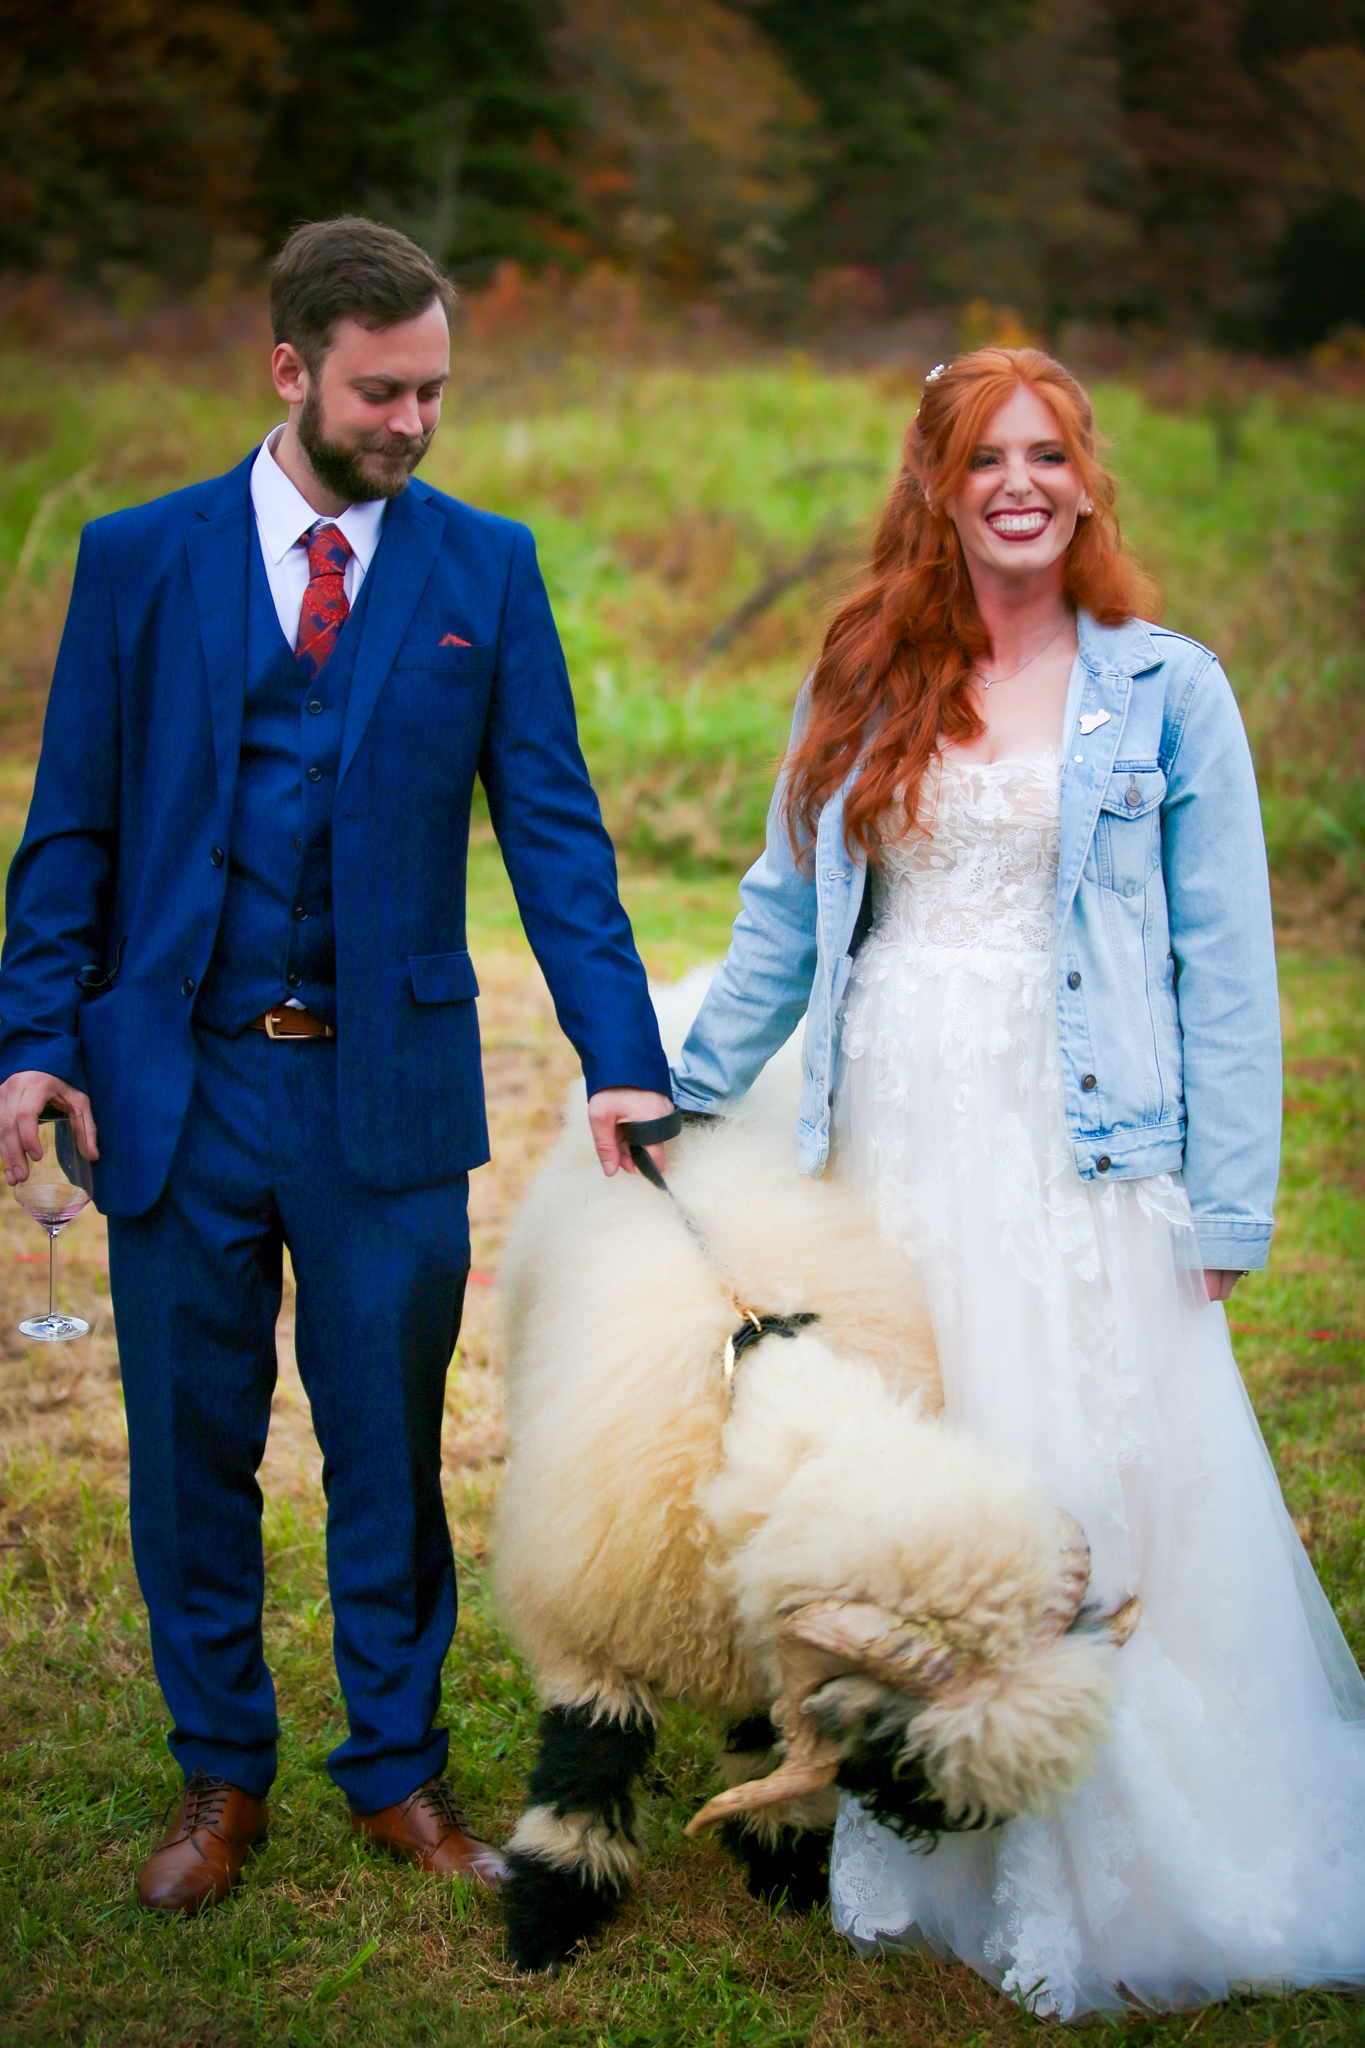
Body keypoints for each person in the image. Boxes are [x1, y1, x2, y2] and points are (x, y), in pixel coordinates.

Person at [669, 348, 1365, 2017]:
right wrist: (677, 1091)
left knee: (1094, 1471)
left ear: (1083, 479)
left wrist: (1227, 1205)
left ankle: (1117, 1822)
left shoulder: (1165, 688)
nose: (1019, 484)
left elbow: (1223, 962)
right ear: (934, 482)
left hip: (1080, 1143)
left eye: (1047, 454)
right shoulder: (863, 665)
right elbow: (782, 908)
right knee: (923, 1469)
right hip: (892, 1137)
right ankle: (919, 1805)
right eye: (985, 456)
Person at [0, 216, 673, 1916]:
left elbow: (558, 836)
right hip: (178, 1086)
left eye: (436, 390)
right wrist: (30, 1045)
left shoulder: (483, 568)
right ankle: (220, 1779)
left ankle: (397, 1770)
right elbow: (68, 827)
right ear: (290, 369)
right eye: (384, 391)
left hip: (386, 1098)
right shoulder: (138, 559)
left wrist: (623, 1058)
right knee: (187, 1453)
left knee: (386, 1449)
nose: (416, 422)